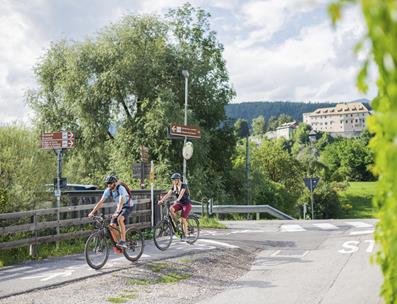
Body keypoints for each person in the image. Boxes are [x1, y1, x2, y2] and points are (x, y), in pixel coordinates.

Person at [88, 175, 133, 249]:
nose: (109, 185)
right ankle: (118, 243)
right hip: (119, 206)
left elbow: (121, 200)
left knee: (120, 219)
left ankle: (123, 241)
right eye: (107, 183)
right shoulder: (108, 190)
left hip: (128, 205)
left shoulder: (120, 188)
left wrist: (117, 212)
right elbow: (101, 202)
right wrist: (92, 212)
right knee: (111, 226)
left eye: (110, 183)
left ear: (114, 183)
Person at [158, 173, 192, 241]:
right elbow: (168, 194)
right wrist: (161, 200)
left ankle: (186, 235)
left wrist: (177, 200)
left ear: (178, 180)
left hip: (186, 204)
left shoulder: (183, 185)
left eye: (174, 180)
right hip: (180, 204)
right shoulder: (174, 186)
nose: (173, 181)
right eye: (172, 180)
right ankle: (177, 222)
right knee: (171, 209)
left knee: (183, 219)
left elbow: (181, 193)